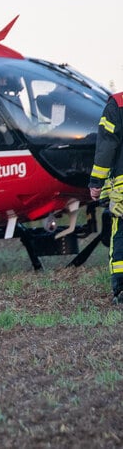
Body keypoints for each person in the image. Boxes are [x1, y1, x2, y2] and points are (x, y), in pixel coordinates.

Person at [89, 92, 123, 304]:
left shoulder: (117, 104)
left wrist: (96, 182)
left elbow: (107, 146)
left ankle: (121, 287)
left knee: (120, 232)